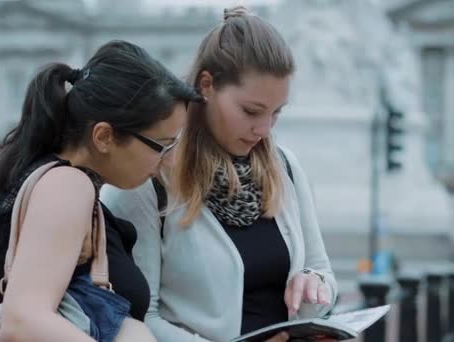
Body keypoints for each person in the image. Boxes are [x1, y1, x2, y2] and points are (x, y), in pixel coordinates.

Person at [0, 40, 203, 341]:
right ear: (104, 136)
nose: (170, 159)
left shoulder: (32, 186)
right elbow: (23, 321)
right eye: (162, 145)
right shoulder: (69, 186)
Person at [102, 7, 338, 342]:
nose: (264, 129)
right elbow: (138, 317)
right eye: (251, 111)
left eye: (276, 113)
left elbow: (323, 272)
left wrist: (315, 284)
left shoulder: (285, 166)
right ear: (207, 85)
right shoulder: (149, 176)